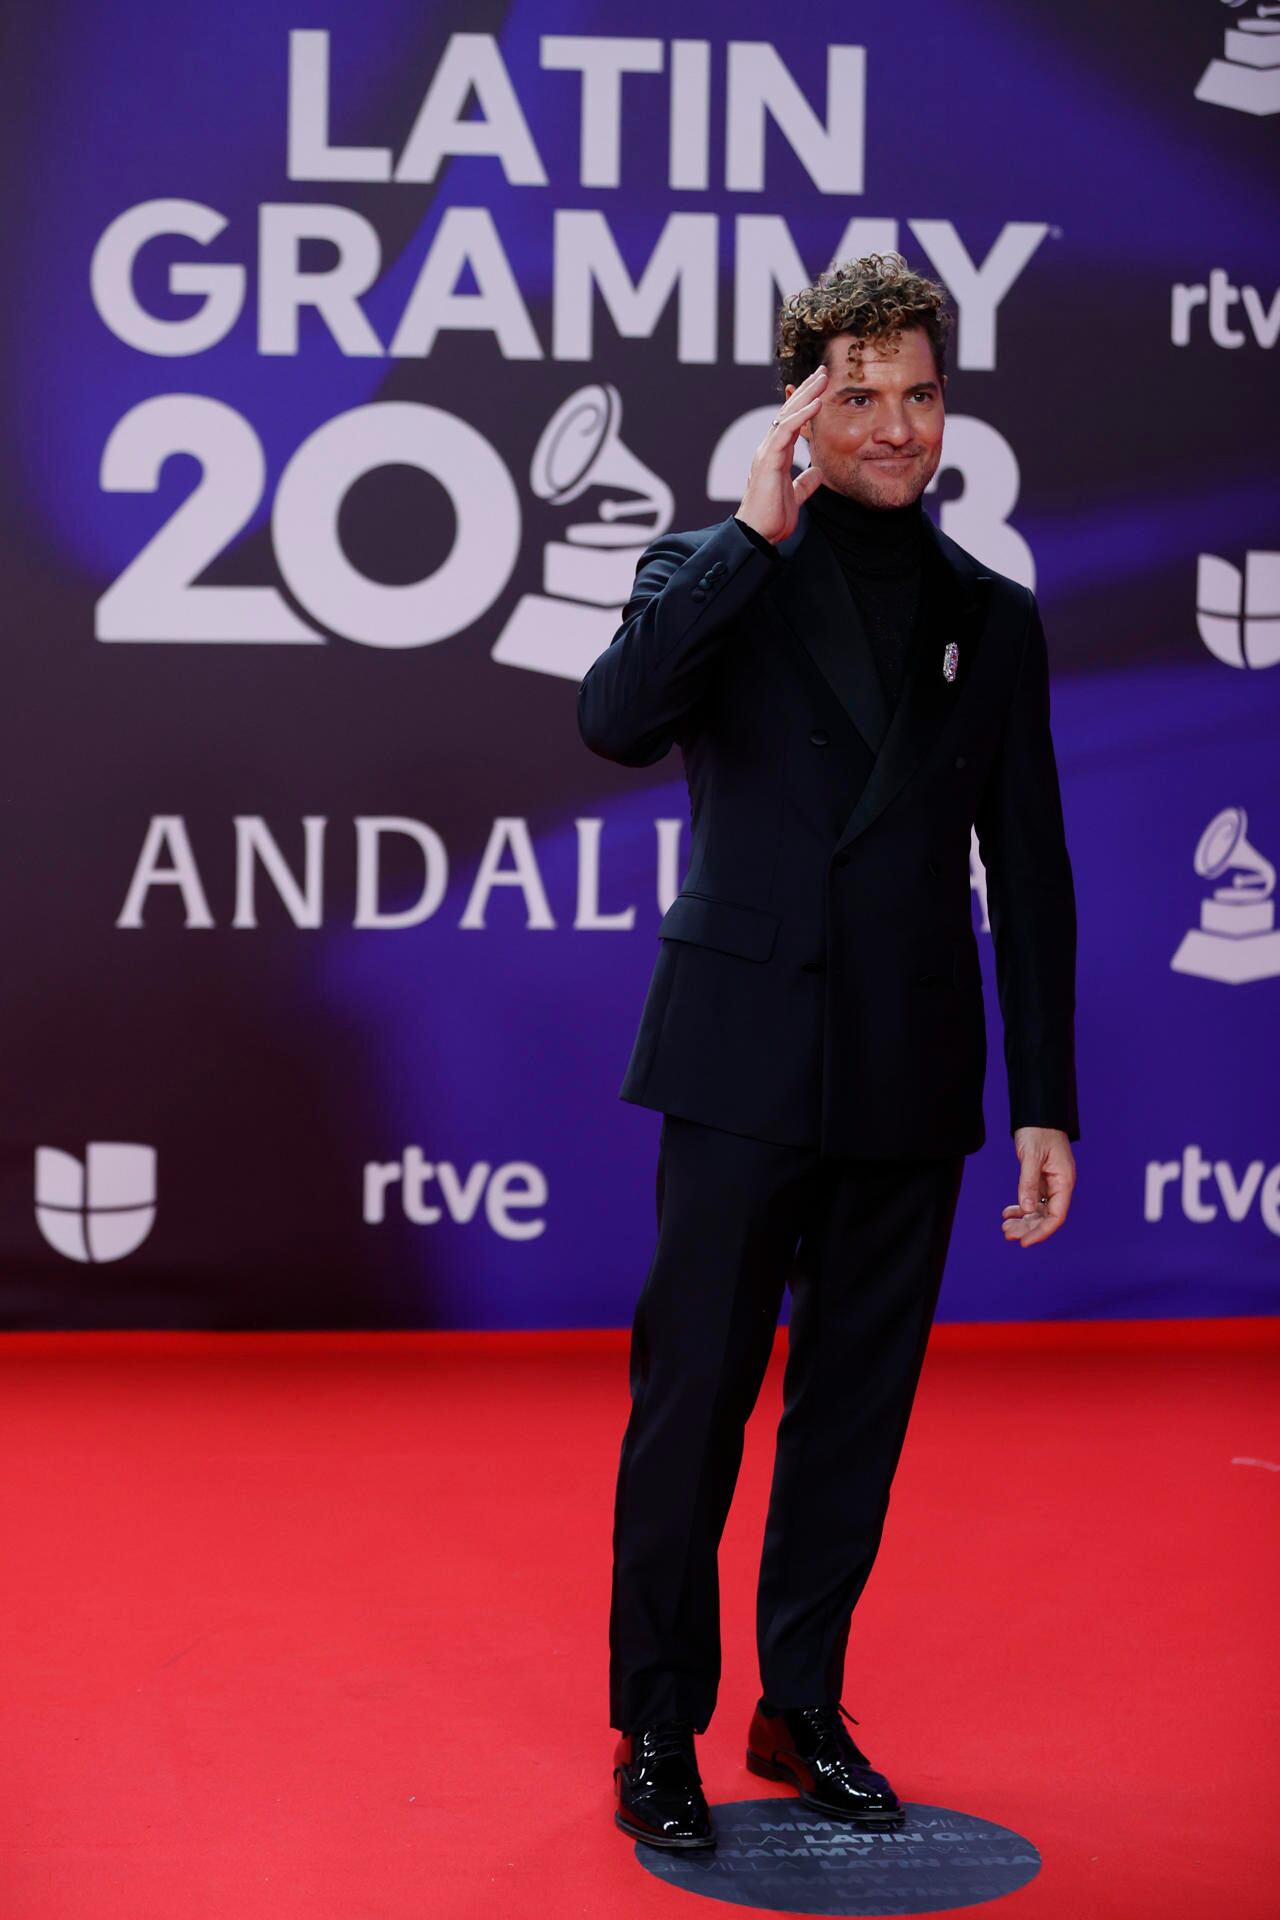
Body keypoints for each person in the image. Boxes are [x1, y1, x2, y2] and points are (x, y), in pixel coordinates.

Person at [576, 252, 1079, 1853]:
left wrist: (1046, 1103)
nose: (894, 427)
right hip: (737, 1061)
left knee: (853, 1412)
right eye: (857, 394)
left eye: (919, 394)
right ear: (801, 404)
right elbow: (613, 718)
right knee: (694, 1403)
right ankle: (658, 1722)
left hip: (905, 1069)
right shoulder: (716, 566)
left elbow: (1038, 870)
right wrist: (748, 534)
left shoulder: (992, 622)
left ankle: (800, 1708)